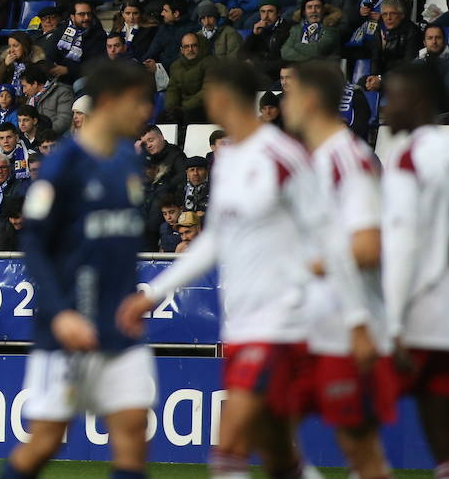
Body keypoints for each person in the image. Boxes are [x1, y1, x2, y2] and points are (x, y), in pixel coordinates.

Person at [119, 61, 371, 479]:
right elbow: (217, 239)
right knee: (279, 458)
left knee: (230, 449)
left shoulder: (285, 157)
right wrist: (154, 293)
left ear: (220, 95)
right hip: (242, 321)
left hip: (282, 320)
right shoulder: (231, 157)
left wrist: (358, 319)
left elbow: (327, 238)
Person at [0, 60, 157, 479]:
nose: (145, 112)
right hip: (69, 327)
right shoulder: (63, 162)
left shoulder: (128, 158)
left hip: (119, 326)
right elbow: (32, 243)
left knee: (132, 434)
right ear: (108, 101)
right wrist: (61, 312)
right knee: (46, 442)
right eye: (137, 102)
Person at [280, 61, 395, 479]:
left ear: (310, 100)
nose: (282, 102)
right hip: (316, 320)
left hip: (350, 325)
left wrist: (312, 261)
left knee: (360, 451)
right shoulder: (312, 159)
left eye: (290, 92)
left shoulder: (347, 158)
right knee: (270, 427)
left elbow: (367, 246)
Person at [380, 63, 449, 479]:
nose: (385, 107)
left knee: (354, 417)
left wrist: (391, 320)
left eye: (394, 97)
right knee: (444, 438)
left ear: (418, 102)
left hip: (418, 309)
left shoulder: (409, 156)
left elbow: (404, 244)